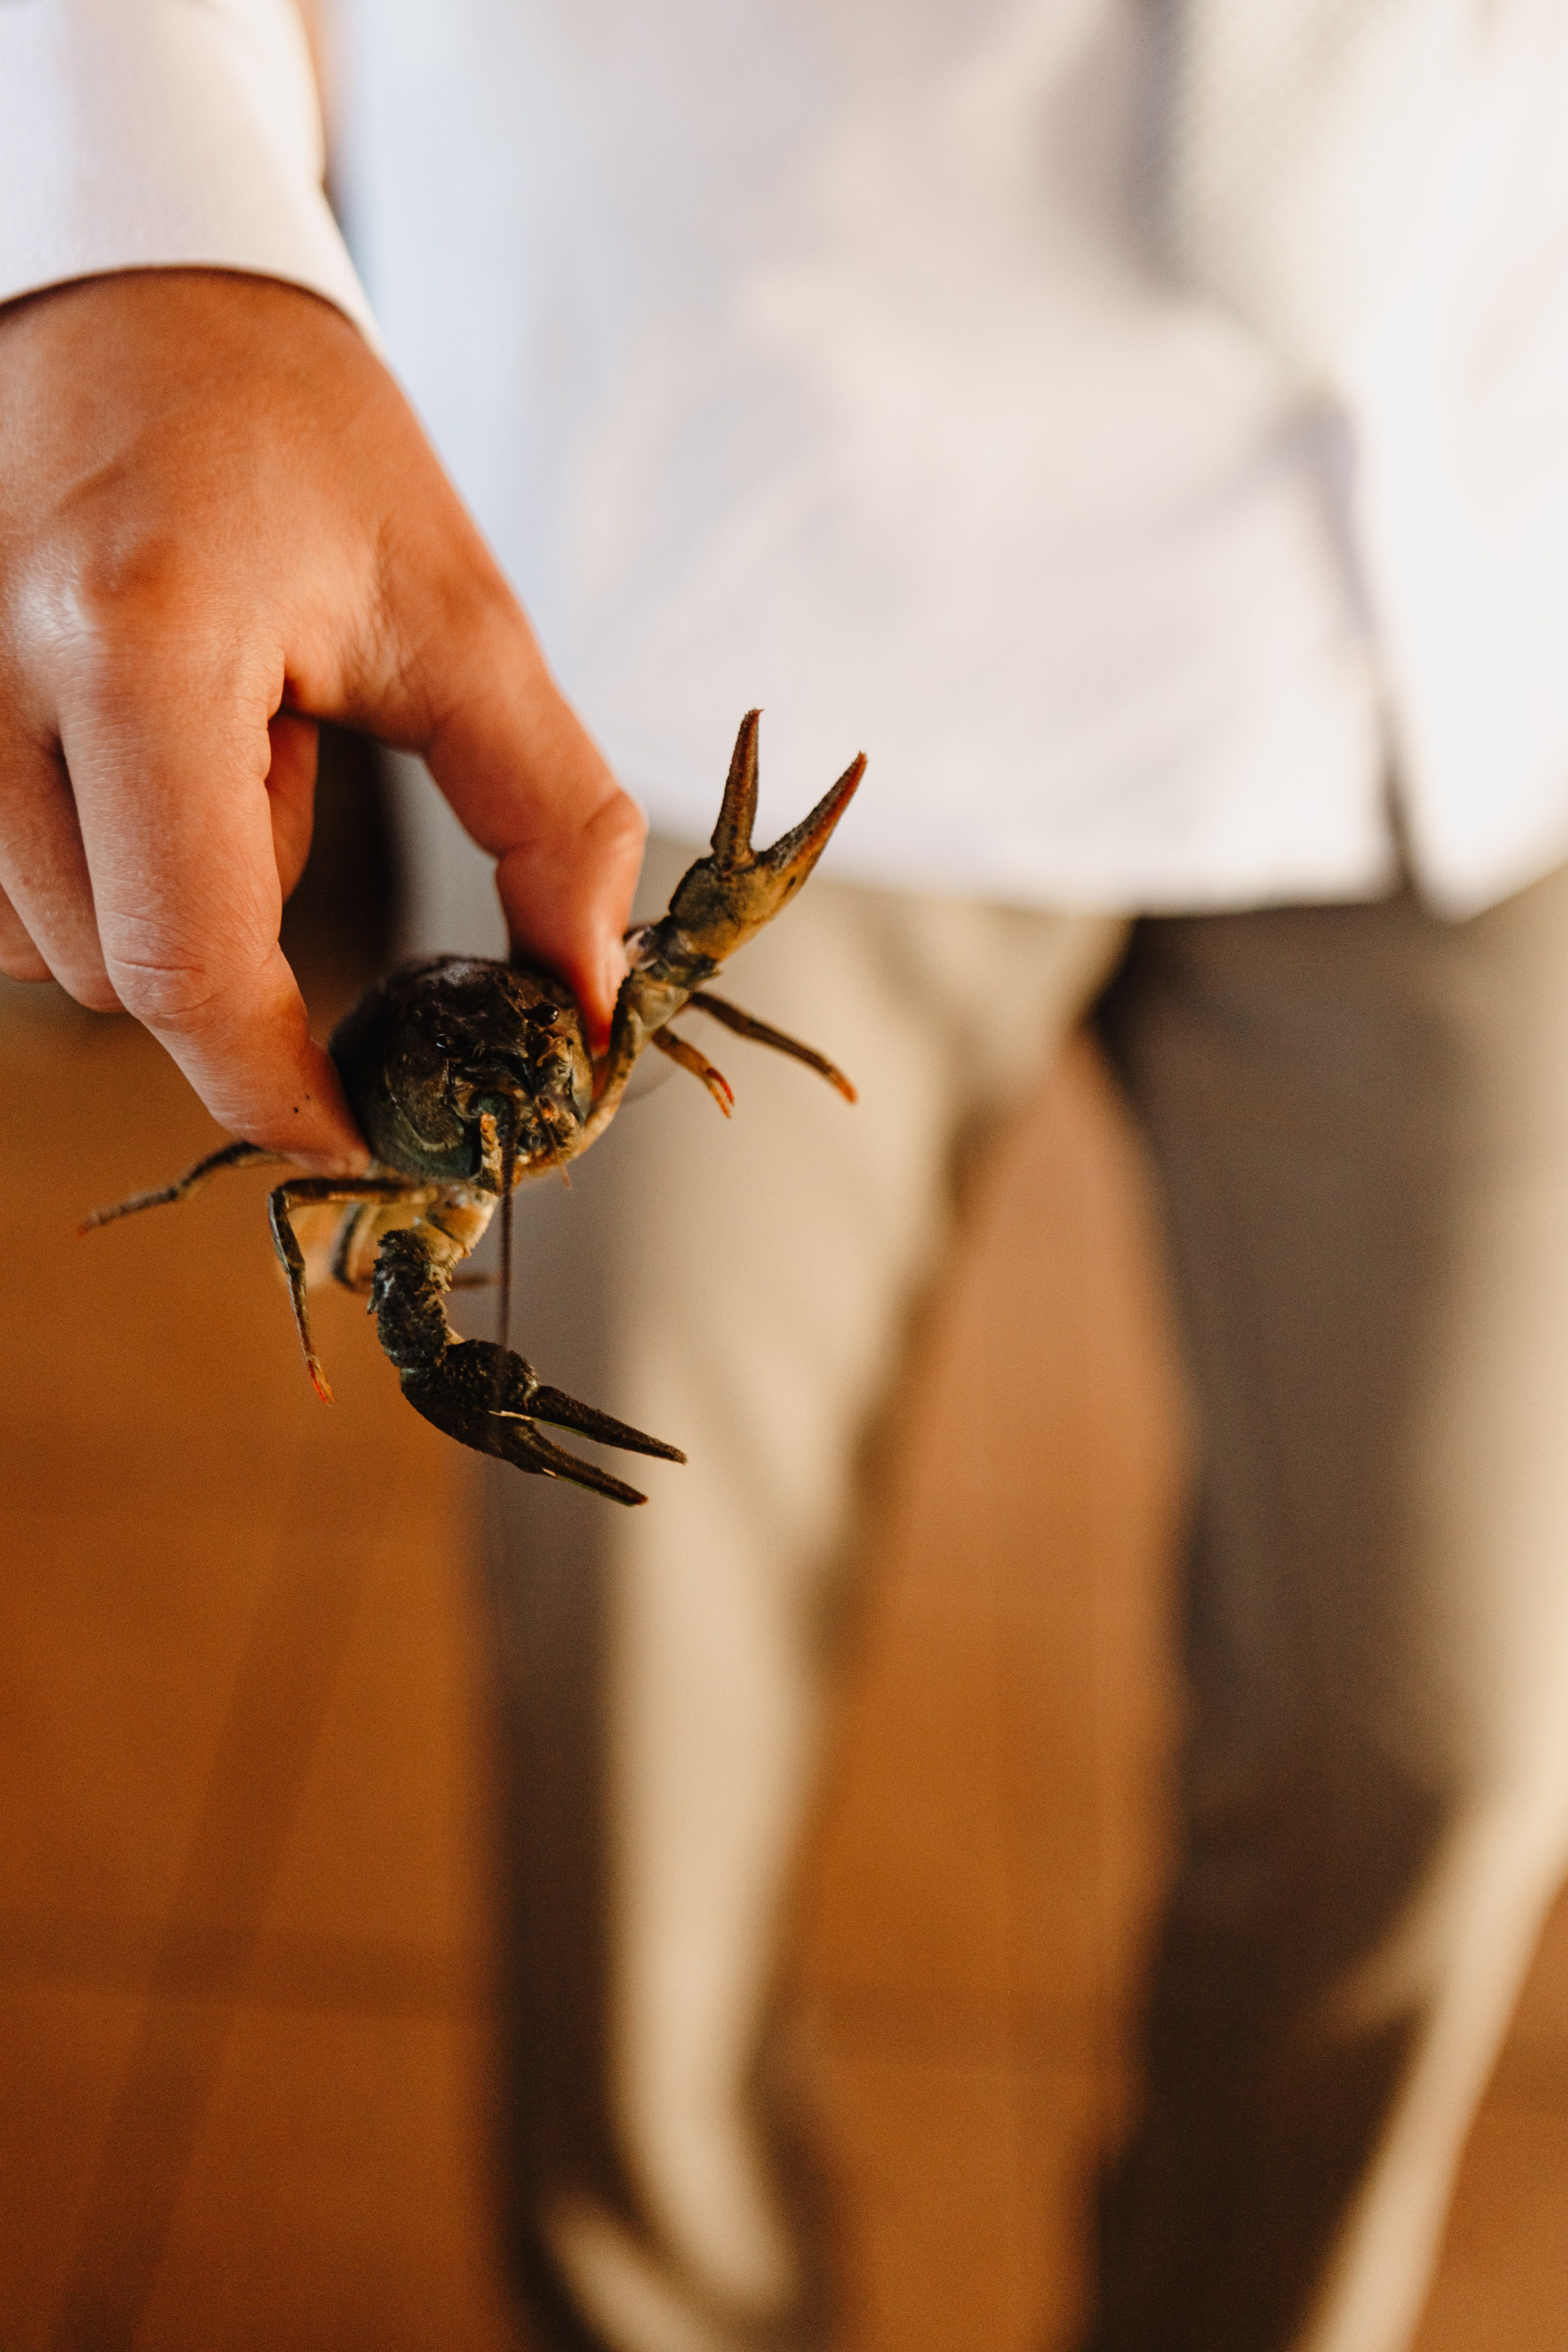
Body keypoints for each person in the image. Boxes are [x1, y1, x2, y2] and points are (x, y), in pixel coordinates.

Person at [6, 4, 1568, 2350]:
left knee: (1436, 1757)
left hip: (1485, 531)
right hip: (692, 555)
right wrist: (134, 207)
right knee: (651, 1748)